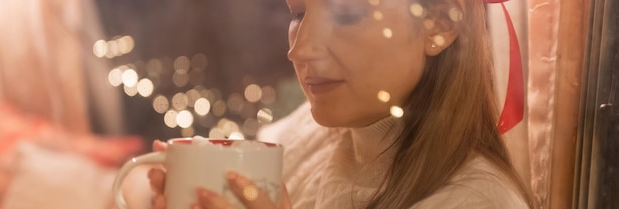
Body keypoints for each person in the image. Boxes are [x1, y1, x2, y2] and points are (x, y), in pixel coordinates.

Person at [147, 0, 539, 208]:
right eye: (298, 13)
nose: (300, 50)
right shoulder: (312, 133)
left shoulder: (475, 202)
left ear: (440, 23)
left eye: (347, 14)